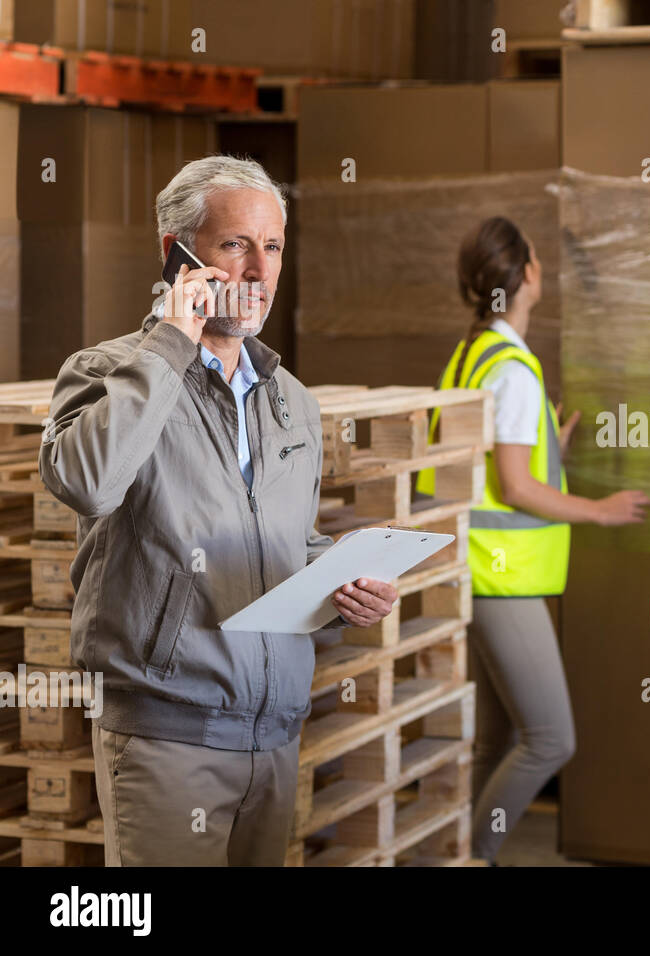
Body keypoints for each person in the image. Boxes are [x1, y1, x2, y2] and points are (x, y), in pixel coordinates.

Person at [39, 155, 398, 866]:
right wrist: (171, 340)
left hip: (273, 734)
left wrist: (343, 578)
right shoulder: (105, 373)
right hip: (167, 736)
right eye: (236, 245)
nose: (260, 271)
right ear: (177, 255)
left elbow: (288, 542)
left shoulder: (289, 398)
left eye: (272, 247)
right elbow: (86, 479)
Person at [416, 217, 650, 862]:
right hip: (503, 578)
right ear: (526, 276)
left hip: (474, 570)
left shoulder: (471, 356)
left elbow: (498, 466)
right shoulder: (513, 369)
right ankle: (474, 858)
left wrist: (551, 448)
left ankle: (451, 855)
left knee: (497, 741)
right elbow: (515, 488)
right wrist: (600, 509)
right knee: (550, 740)